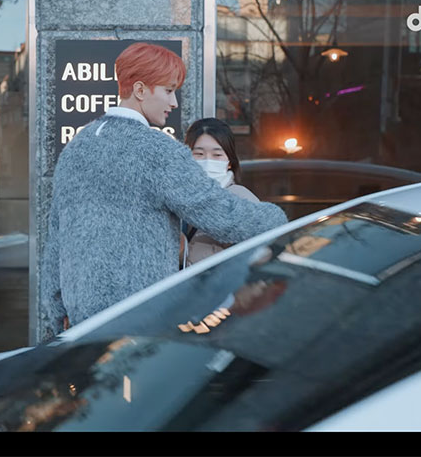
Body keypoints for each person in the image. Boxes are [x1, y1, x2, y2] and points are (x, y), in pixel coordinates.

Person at [39, 42, 288, 341]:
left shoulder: (75, 149)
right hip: (142, 320)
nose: (174, 102)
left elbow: (56, 239)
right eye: (168, 90)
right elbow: (222, 214)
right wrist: (279, 220)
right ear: (141, 90)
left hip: (83, 320)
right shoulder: (157, 151)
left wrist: (56, 313)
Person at [181, 118, 260, 267]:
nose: (207, 161)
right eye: (198, 154)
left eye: (217, 155)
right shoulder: (179, 199)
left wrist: (183, 251)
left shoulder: (240, 199)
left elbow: (257, 258)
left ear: (229, 161)